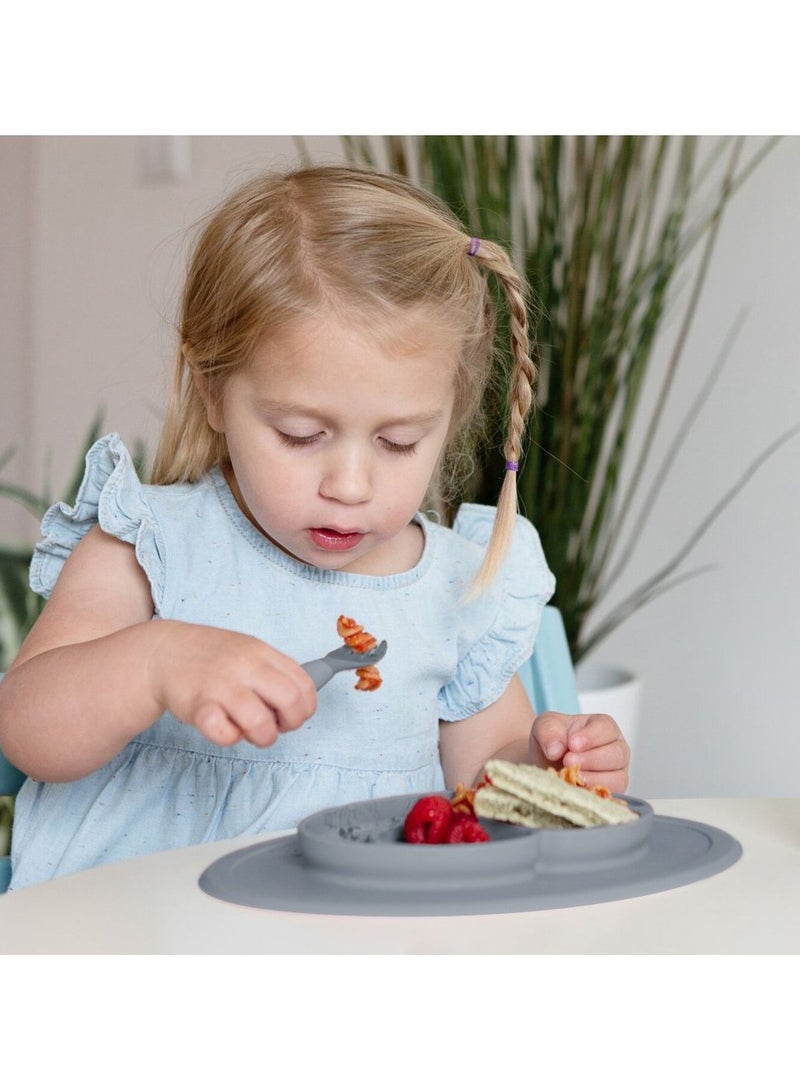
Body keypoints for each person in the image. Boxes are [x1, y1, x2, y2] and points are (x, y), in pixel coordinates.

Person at [0, 165, 629, 888]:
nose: (350, 485)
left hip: (363, 941)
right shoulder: (151, 548)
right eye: (301, 434)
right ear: (212, 393)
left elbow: (486, 787)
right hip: (145, 940)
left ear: (447, 422)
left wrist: (545, 769)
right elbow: (26, 726)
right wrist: (151, 662)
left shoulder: (455, 587)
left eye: (398, 443)